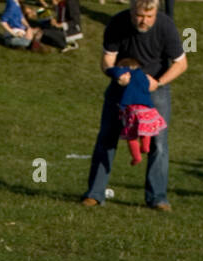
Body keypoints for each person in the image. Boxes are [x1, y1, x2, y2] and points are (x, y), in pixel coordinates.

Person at [81, 0, 186, 211]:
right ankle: (94, 194)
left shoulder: (165, 26)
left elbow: (181, 63)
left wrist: (158, 83)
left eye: (149, 16)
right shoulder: (117, 23)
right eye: (139, 16)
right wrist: (116, 75)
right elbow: (107, 60)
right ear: (132, 10)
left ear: (156, 12)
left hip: (154, 89)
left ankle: (157, 198)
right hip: (121, 89)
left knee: (159, 144)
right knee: (107, 138)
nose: (144, 21)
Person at [109, 57, 166, 165]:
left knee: (131, 136)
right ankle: (145, 146)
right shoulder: (144, 76)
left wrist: (112, 70)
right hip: (147, 108)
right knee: (146, 129)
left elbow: (114, 71)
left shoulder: (127, 72)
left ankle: (136, 157)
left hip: (133, 110)